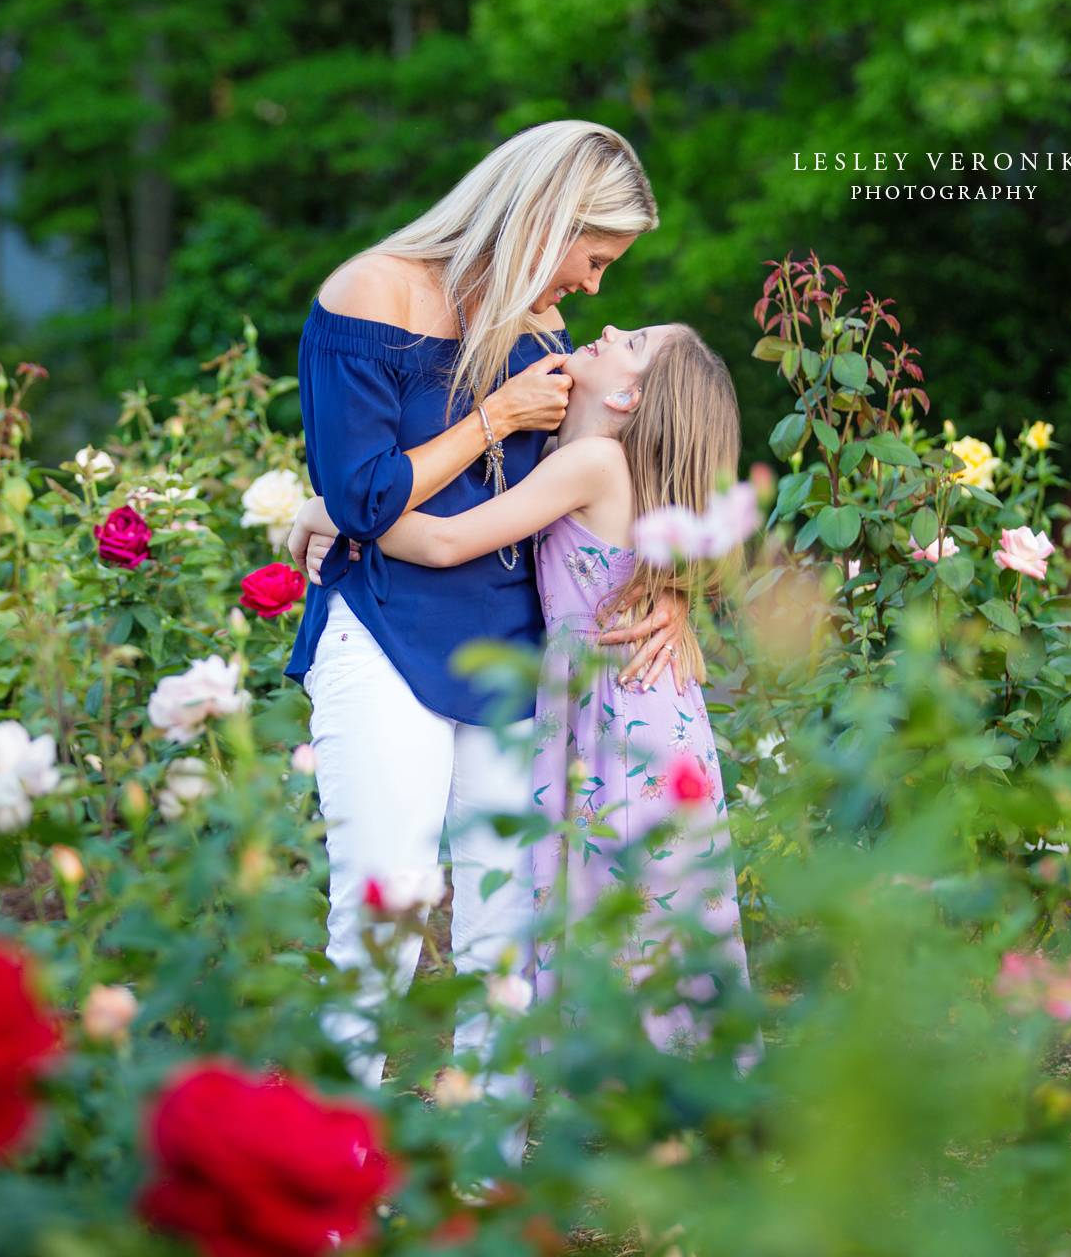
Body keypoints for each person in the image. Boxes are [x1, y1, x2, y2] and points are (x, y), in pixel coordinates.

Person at [285, 122, 689, 1117]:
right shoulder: (369, 297)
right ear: (543, 218)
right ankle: (326, 1173)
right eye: (592, 259)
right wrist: (496, 416)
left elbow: (616, 485)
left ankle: (486, 1174)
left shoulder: (542, 331)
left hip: (513, 648)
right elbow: (371, 496)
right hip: (384, 630)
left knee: (507, 922)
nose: (595, 289)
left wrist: (670, 586)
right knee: (385, 901)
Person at [293, 322, 751, 1051]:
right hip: (651, 713)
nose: (606, 327)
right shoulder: (609, 464)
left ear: (631, 396)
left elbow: (447, 543)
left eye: (630, 341)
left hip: (618, 719)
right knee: (651, 911)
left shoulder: (596, 461)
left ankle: (642, 1097)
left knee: (620, 905)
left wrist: (331, 510)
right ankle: (678, 1094)